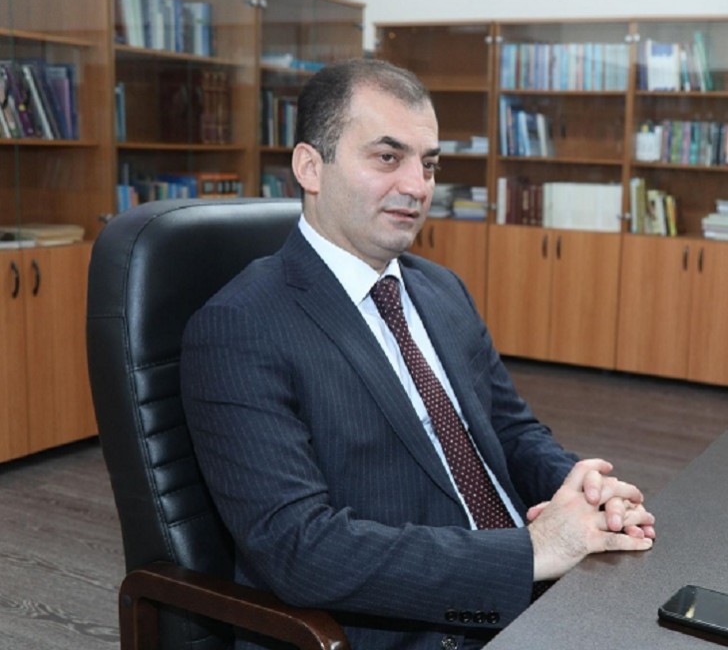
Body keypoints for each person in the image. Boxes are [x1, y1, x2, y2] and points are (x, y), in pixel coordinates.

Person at [180, 58, 655, 650]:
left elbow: (510, 431)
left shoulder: (440, 288)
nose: (417, 186)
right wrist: (530, 552)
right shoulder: (240, 325)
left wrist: (581, 491)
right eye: (388, 157)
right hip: (416, 626)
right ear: (310, 167)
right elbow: (299, 549)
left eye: (428, 164)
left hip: (532, 584)